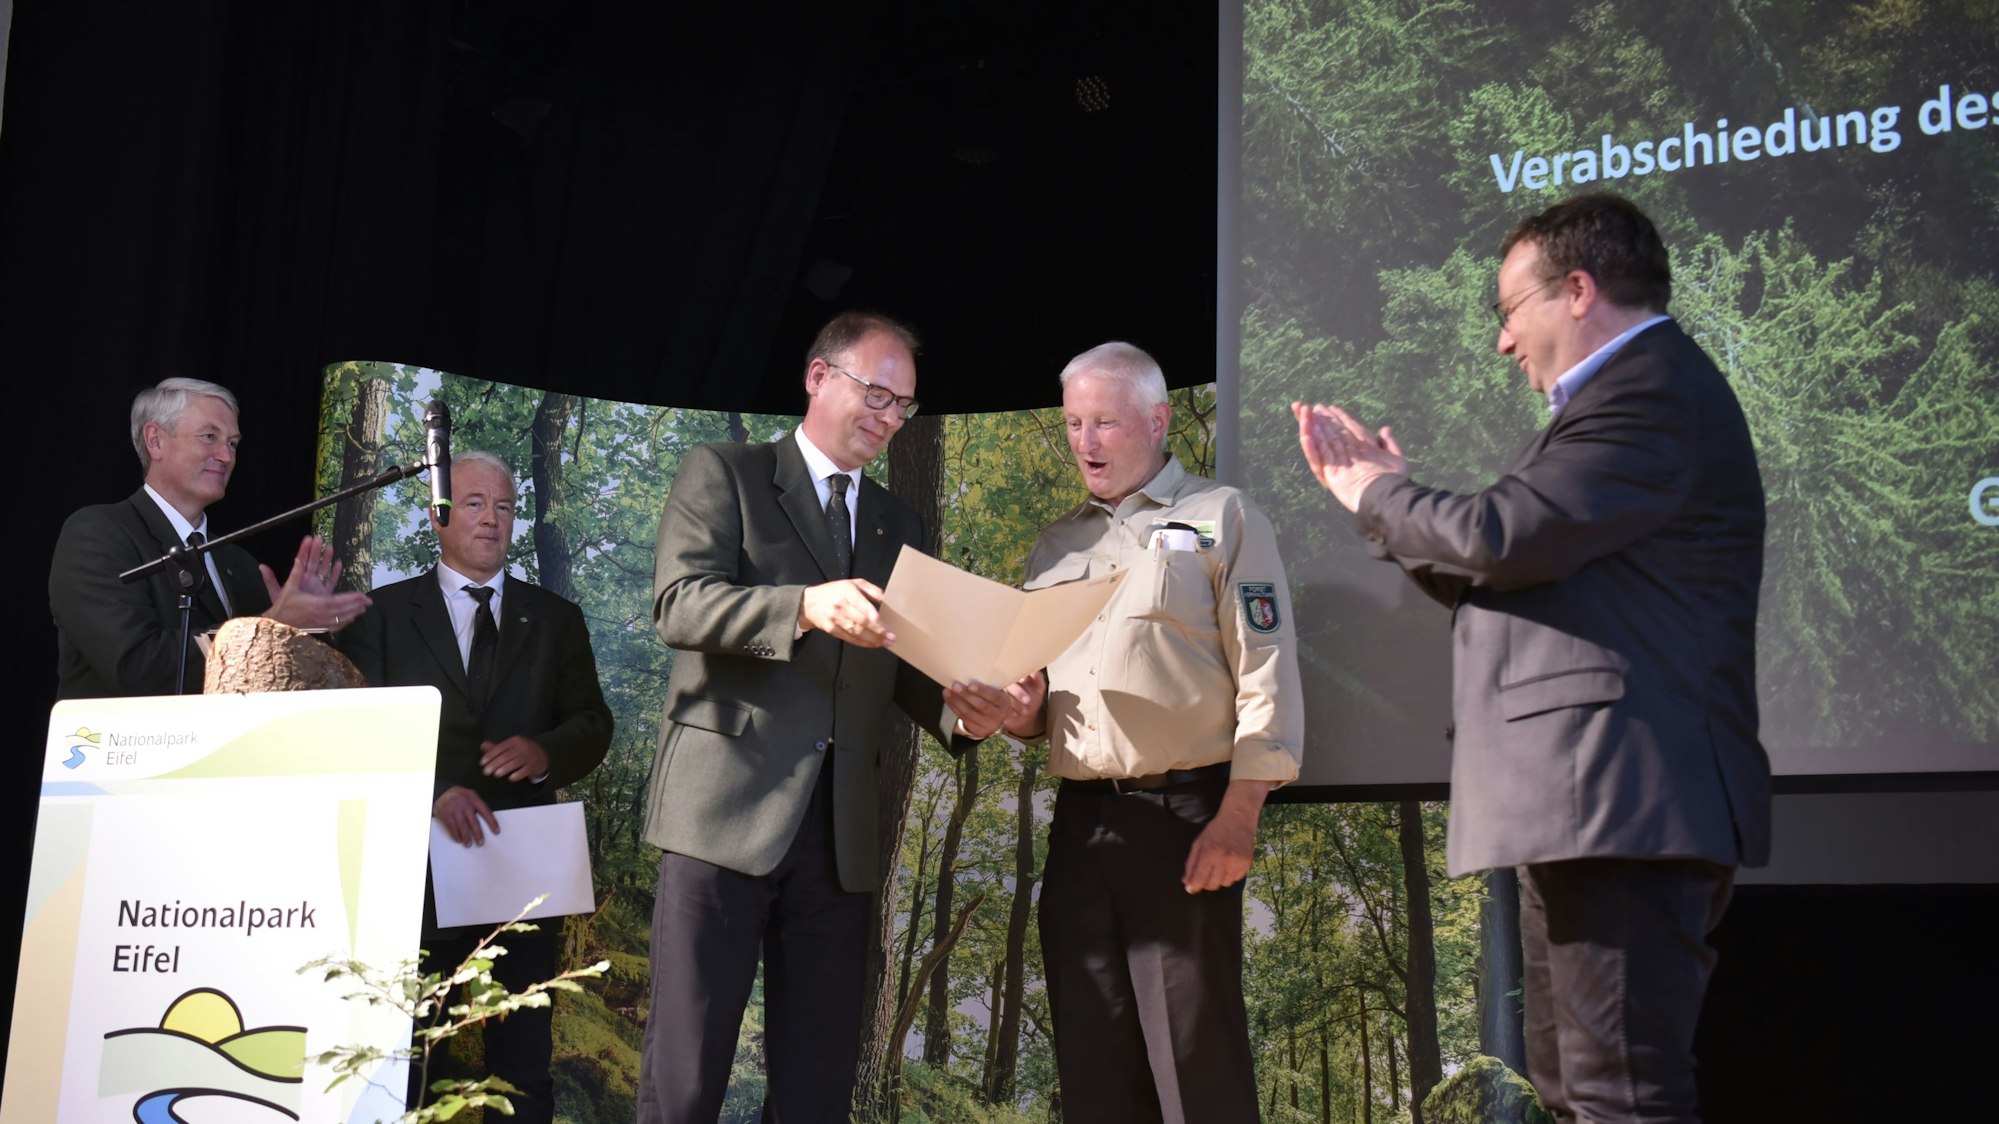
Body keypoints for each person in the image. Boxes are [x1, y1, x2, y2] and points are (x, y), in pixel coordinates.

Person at [1293, 192, 1770, 1123]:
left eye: (1508, 311)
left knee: (1619, 1098)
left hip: (1623, 807)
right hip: (1589, 810)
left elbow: (1502, 536)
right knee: (1574, 1095)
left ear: (1578, 290)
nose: (1502, 342)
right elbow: (1500, 580)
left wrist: (1380, 493)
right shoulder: (1618, 403)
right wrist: (1382, 511)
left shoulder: (1649, 391)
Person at [635, 311, 1016, 1123]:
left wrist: (965, 713)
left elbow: (906, 661)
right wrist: (804, 605)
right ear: (817, 378)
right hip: (722, 817)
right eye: (875, 393)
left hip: (839, 836)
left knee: (817, 1086)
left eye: (902, 405)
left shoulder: (896, 522)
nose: (887, 416)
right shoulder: (725, 473)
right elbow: (681, 605)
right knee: (687, 1079)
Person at [997, 341, 1303, 1124]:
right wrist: (1015, 712)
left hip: (1184, 824)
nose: (1084, 442)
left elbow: (1266, 666)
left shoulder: (1220, 516)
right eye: (1072, 423)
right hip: (1080, 829)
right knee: (1091, 1068)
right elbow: (1040, 709)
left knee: (1194, 1071)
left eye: (1103, 421)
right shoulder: (1054, 545)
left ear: (1158, 420)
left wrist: (1239, 813)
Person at [340, 450, 613, 1124]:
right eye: (474, 504)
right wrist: (433, 788)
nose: (492, 519)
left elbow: (592, 722)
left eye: (505, 507)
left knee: (521, 1055)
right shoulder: (379, 612)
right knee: (393, 1047)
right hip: (412, 866)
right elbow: (359, 726)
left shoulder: (555, 619)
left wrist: (545, 750)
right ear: (438, 516)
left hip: (519, 865)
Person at [50, 377, 373, 698]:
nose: (226, 456)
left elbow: (280, 679)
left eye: (232, 443)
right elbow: (137, 666)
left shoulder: (238, 563)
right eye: (209, 437)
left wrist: (305, 628)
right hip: (127, 746)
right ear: (155, 440)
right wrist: (270, 625)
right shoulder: (98, 533)